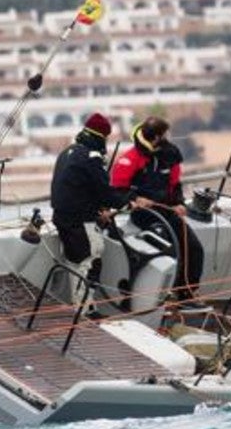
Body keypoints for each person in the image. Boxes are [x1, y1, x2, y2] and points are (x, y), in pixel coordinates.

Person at [50, 113, 150, 312]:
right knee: (88, 262)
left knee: (75, 263)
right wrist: (130, 202)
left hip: (62, 217)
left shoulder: (68, 152)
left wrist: (99, 210)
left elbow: (78, 188)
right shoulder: (91, 158)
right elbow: (106, 194)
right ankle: (85, 313)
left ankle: (84, 307)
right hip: (79, 222)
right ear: (102, 137)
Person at [111, 116, 205, 303]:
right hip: (144, 216)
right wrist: (135, 199)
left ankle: (187, 293)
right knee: (167, 252)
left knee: (194, 249)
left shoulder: (170, 155)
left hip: (168, 212)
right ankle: (161, 297)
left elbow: (175, 184)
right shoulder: (130, 159)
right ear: (156, 137)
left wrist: (179, 203)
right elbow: (117, 190)